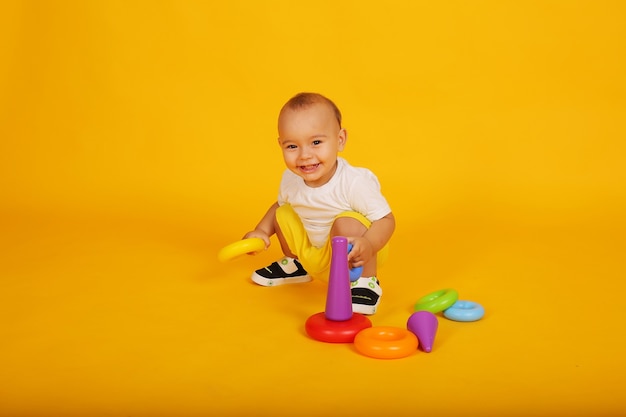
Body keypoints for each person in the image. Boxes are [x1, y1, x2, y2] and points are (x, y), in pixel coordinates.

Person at [242, 92, 395, 315]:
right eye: (292, 147)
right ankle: (297, 265)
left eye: (316, 142)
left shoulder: (353, 182)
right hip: (318, 254)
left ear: (340, 140)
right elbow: (277, 207)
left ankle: (366, 283)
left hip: (357, 256)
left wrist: (369, 245)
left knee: (347, 221)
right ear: (280, 145)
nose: (305, 155)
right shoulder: (290, 179)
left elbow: (386, 219)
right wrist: (260, 231)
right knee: (284, 212)